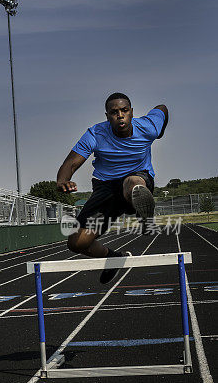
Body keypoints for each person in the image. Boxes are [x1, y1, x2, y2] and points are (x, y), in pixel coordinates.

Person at [56, 93, 168, 283]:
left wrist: (161, 130)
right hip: (105, 189)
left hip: (137, 179)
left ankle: (145, 216)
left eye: (124, 110)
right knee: (77, 243)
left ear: (131, 112)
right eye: (114, 112)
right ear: (107, 116)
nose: (120, 115)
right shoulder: (95, 134)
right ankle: (114, 257)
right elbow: (72, 163)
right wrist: (62, 180)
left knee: (133, 183)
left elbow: (162, 108)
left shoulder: (149, 127)